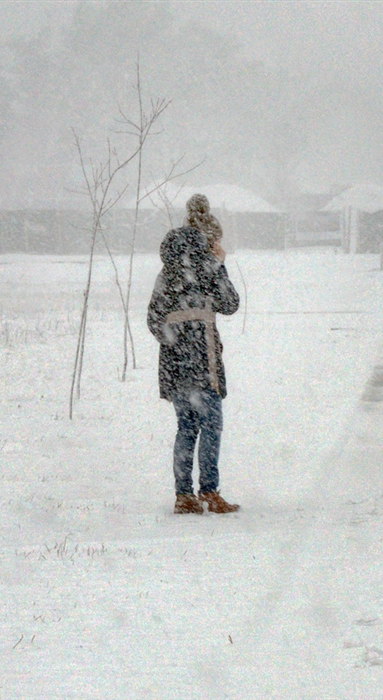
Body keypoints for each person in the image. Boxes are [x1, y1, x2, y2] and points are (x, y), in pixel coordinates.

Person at [147, 194, 241, 515]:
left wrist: (174, 339)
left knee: (186, 427)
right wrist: (220, 263)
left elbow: (153, 319)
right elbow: (230, 303)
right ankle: (210, 492)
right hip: (204, 360)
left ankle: (184, 495)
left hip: (176, 364)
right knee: (211, 424)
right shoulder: (208, 266)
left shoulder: (168, 272)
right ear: (209, 237)